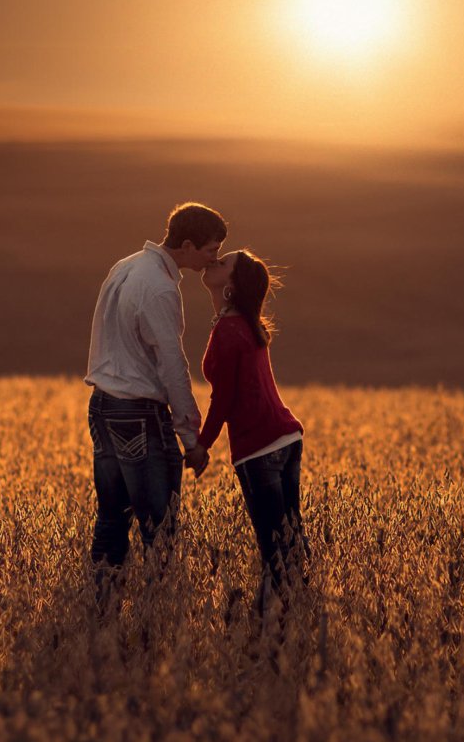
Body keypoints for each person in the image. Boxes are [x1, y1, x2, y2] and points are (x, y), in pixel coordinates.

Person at [85, 202, 225, 588]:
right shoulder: (160, 288)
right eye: (210, 249)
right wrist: (191, 438)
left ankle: (100, 608)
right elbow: (172, 366)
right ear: (186, 245)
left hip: (102, 405)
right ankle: (157, 616)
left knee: (112, 517)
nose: (213, 258)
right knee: (159, 528)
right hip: (138, 412)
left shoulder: (125, 266)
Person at [197, 249, 306, 609]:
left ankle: (269, 630)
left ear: (232, 284)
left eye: (223, 262)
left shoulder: (229, 329)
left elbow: (223, 400)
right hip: (287, 437)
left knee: (274, 551)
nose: (213, 262)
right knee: (291, 542)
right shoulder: (246, 323)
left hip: (259, 448)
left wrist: (202, 446)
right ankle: (297, 617)